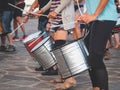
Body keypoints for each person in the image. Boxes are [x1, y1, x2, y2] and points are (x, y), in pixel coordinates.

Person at [36, 0, 77, 89]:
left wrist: (55, 11)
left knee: (59, 49)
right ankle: (63, 76)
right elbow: (53, 2)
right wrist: (42, 11)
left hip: (63, 19)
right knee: (57, 50)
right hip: (55, 20)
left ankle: (70, 79)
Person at [78, 0, 118, 90]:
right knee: (89, 57)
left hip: (105, 18)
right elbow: (92, 4)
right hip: (95, 19)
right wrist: (86, 14)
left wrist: (95, 14)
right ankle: (96, 87)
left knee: (95, 56)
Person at [24, 0, 50, 71]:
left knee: (47, 44)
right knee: (42, 44)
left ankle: (50, 65)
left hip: (49, 19)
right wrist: (28, 14)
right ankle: (44, 64)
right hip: (42, 19)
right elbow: (36, 2)